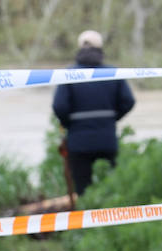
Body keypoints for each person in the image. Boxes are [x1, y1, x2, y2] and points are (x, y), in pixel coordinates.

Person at [51, 30, 135, 197]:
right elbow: (128, 101)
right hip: (107, 140)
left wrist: (70, 124)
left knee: (83, 191)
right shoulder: (112, 73)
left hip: (78, 143)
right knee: (112, 190)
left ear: (79, 47)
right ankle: (115, 220)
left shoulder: (69, 74)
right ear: (101, 48)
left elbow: (59, 106)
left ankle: (87, 219)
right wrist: (111, 119)